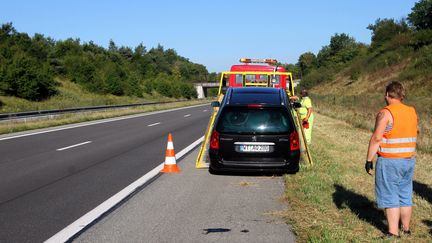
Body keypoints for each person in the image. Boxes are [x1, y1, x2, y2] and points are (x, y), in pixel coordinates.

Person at [365, 81, 418, 239]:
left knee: (389, 195)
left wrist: (369, 160)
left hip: (390, 161)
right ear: (401, 95)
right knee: (405, 194)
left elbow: (376, 138)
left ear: (387, 95)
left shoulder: (386, 112)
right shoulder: (411, 111)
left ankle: (393, 233)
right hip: (408, 160)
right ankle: (406, 228)